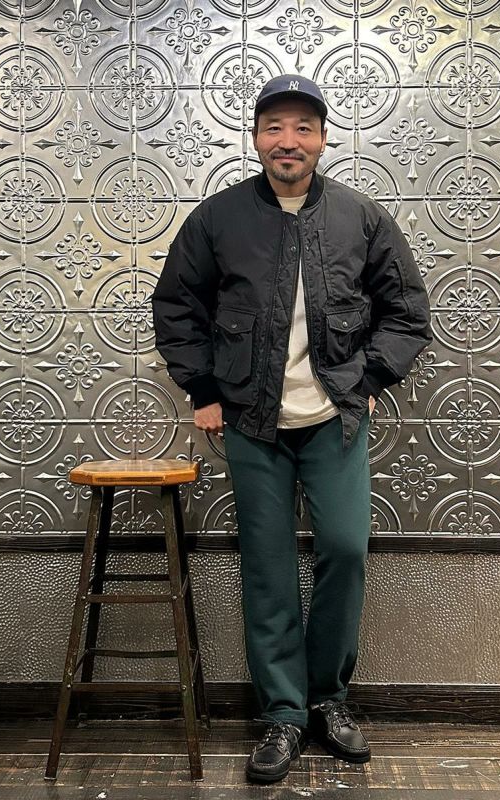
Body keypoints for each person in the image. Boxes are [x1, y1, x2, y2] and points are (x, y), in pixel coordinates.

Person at [152, 74, 433, 784]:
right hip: (252, 421)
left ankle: (328, 700)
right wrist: (203, 389)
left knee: (345, 548)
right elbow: (177, 305)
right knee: (269, 565)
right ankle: (282, 714)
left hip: (334, 419)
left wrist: (370, 379)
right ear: (255, 138)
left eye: (303, 128)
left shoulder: (360, 217)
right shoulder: (217, 219)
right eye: (274, 126)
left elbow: (407, 309)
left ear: (323, 139)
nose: (288, 140)